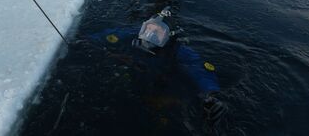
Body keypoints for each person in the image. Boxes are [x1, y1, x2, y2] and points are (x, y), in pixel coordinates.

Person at [89, 7, 228, 133]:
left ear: (168, 36)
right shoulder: (134, 35)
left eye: (157, 32)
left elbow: (200, 70)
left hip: (161, 88)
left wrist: (212, 94)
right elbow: (110, 35)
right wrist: (88, 41)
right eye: (149, 29)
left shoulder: (177, 50)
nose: (150, 34)